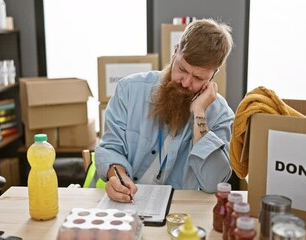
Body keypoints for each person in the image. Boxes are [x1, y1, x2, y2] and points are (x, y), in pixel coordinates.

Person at [92, 18, 234, 202]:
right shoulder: (129, 89)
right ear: (175, 51)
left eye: (198, 77)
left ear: (213, 74)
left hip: (176, 209)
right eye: (182, 69)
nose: (186, 82)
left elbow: (213, 183)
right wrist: (118, 177)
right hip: (123, 202)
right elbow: (111, 148)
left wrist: (199, 113)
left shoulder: (221, 114)